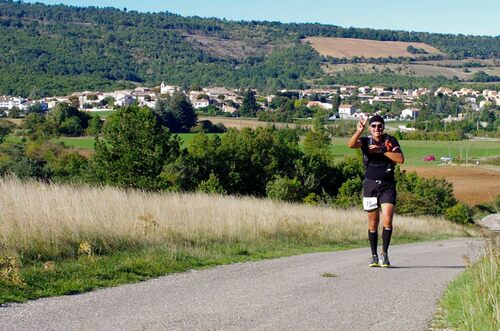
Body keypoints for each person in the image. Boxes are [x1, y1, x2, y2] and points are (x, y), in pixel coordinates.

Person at [347, 115, 404, 267]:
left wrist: (382, 150)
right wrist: (358, 132)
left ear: (383, 127)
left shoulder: (390, 141)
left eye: (379, 126)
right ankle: (373, 255)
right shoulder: (366, 141)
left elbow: (400, 158)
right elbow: (351, 145)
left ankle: (384, 254)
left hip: (387, 185)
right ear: (370, 128)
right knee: (373, 222)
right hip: (370, 185)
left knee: (387, 220)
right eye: (373, 126)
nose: (377, 129)